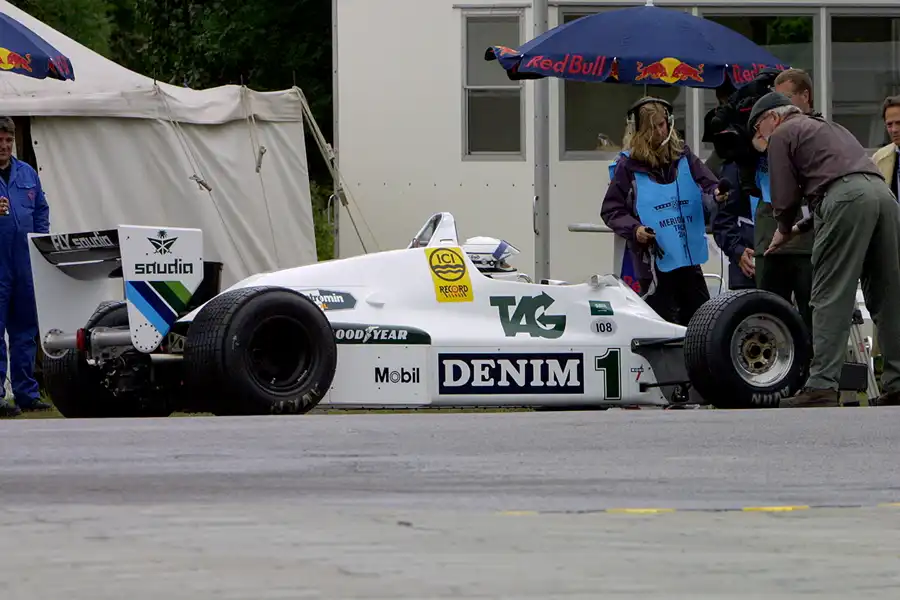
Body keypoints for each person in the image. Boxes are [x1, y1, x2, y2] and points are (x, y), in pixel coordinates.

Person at [750, 91, 900, 408]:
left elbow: (786, 197)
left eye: (758, 128)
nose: (759, 137)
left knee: (829, 293)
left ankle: (821, 385)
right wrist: (796, 230)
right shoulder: (829, 127)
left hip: (847, 198)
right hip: (882, 195)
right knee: (889, 294)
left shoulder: (782, 134)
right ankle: (897, 382)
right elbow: (837, 187)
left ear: (772, 118)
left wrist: (781, 228)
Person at [602, 97, 728, 326]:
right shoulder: (627, 166)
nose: (661, 131)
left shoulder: (683, 156)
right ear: (639, 130)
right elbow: (612, 209)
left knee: (701, 321)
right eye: (654, 127)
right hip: (653, 261)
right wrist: (635, 229)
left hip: (687, 255)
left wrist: (717, 194)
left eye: (663, 124)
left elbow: (709, 184)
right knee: (662, 322)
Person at [746, 69, 818, 334]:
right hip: (769, 241)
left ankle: (816, 372)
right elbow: (722, 165)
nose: (779, 106)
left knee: (813, 318)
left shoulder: (818, 130)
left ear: (805, 96)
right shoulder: (760, 132)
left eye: (786, 98)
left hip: (807, 242)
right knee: (768, 321)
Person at [0, 117, 51, 417]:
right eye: (0, 141)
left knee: (25, 331)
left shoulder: (27, 173)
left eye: (8, 141)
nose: (4, 146)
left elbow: (41, 208)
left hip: (25, 263)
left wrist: (40, 241)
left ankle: (26, 393)